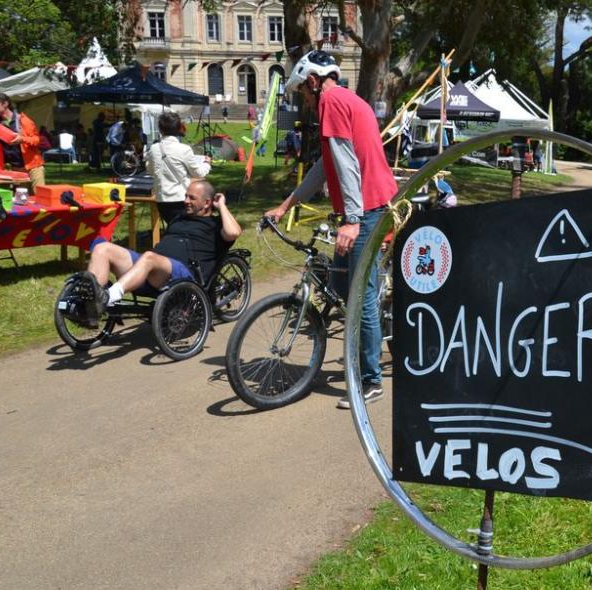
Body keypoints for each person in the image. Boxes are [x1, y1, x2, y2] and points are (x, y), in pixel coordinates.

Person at [264, 50, 397, 409]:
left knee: (360, 297)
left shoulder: (332, 102)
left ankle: (370, 381)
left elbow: (347, 164)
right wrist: (287, 204)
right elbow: (326, 165)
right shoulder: (346, 99)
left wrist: (352, 220)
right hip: (365, 208)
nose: (305, 102)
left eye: (304, 94)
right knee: (341, 281)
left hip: (367, 210)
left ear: (313, 82)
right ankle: (382, 315)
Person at [81, 179, 241, 325]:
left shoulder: (216, 224)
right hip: (153, 270)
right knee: (102, 248)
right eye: (186, 196)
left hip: (183, 275)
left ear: (207, 203)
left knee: (149, 257)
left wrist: (222, 206)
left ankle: (108, 297)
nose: (186, 201)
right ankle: (91, 304)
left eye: (192, 198)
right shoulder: (179, 218)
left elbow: (233, 232)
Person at [145, 112, 212, 223]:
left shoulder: (153, 149)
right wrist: (207, 163)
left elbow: (151, 171)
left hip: (162, 199)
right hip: (181, 198)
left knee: (173, 228)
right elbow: (199, 173)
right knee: (184, 230)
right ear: (178, 128)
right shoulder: (184, 149)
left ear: (160, 130)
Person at [0, 92, 46, 189]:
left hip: (33, 167)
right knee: (21, 201)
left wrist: (22, 139)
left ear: (5, 104)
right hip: (15, 168)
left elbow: (37, 140)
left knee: (40, 197)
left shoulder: (22, 120)